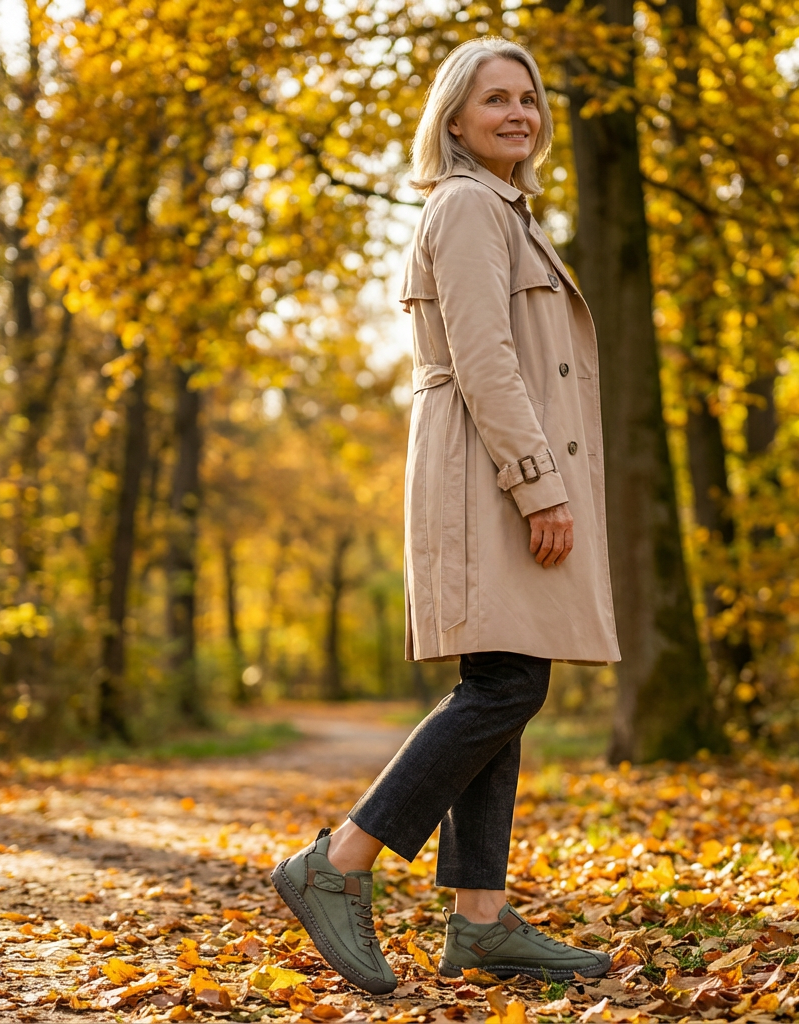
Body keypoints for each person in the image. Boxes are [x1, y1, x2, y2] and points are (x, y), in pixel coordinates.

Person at [271, 37, 620, 996]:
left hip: (491, 470)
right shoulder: (467, 205)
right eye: (495, 99)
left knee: (507, 679)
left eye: (529, 99)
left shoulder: (505, 210)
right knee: (505, 685)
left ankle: (480, 921)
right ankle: (338, 861)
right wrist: (539, 483)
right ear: (455, 119)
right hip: (487, 477)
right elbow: (482, 357)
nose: (518, 114)